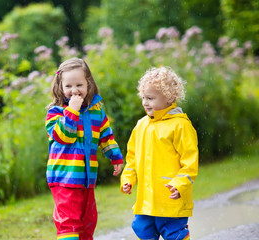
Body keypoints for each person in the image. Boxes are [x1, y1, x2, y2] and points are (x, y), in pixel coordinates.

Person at [45, 57, 123, 240]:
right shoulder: (55, 112)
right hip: (64, 177)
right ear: (60, 87)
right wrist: (71, 111)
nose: (74, 91)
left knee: (88, 222)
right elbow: (65, 136)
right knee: (69, 222)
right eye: (68, 86)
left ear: (88, 84)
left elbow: (106, 136)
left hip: (87, 178)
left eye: (79, 84)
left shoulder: (97, 112)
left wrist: (115, 157)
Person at [121, 66, 198, 240]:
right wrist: (128, 179)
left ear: (169, 97)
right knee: (142, 228)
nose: (145, 103)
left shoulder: (180, 126)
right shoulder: (141, 125)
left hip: (170, 197)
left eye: (150, 98)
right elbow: (132, 158)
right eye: (143, 98)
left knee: (174, 233)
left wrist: (180, 184)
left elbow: (190, 161)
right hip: (146, 200)